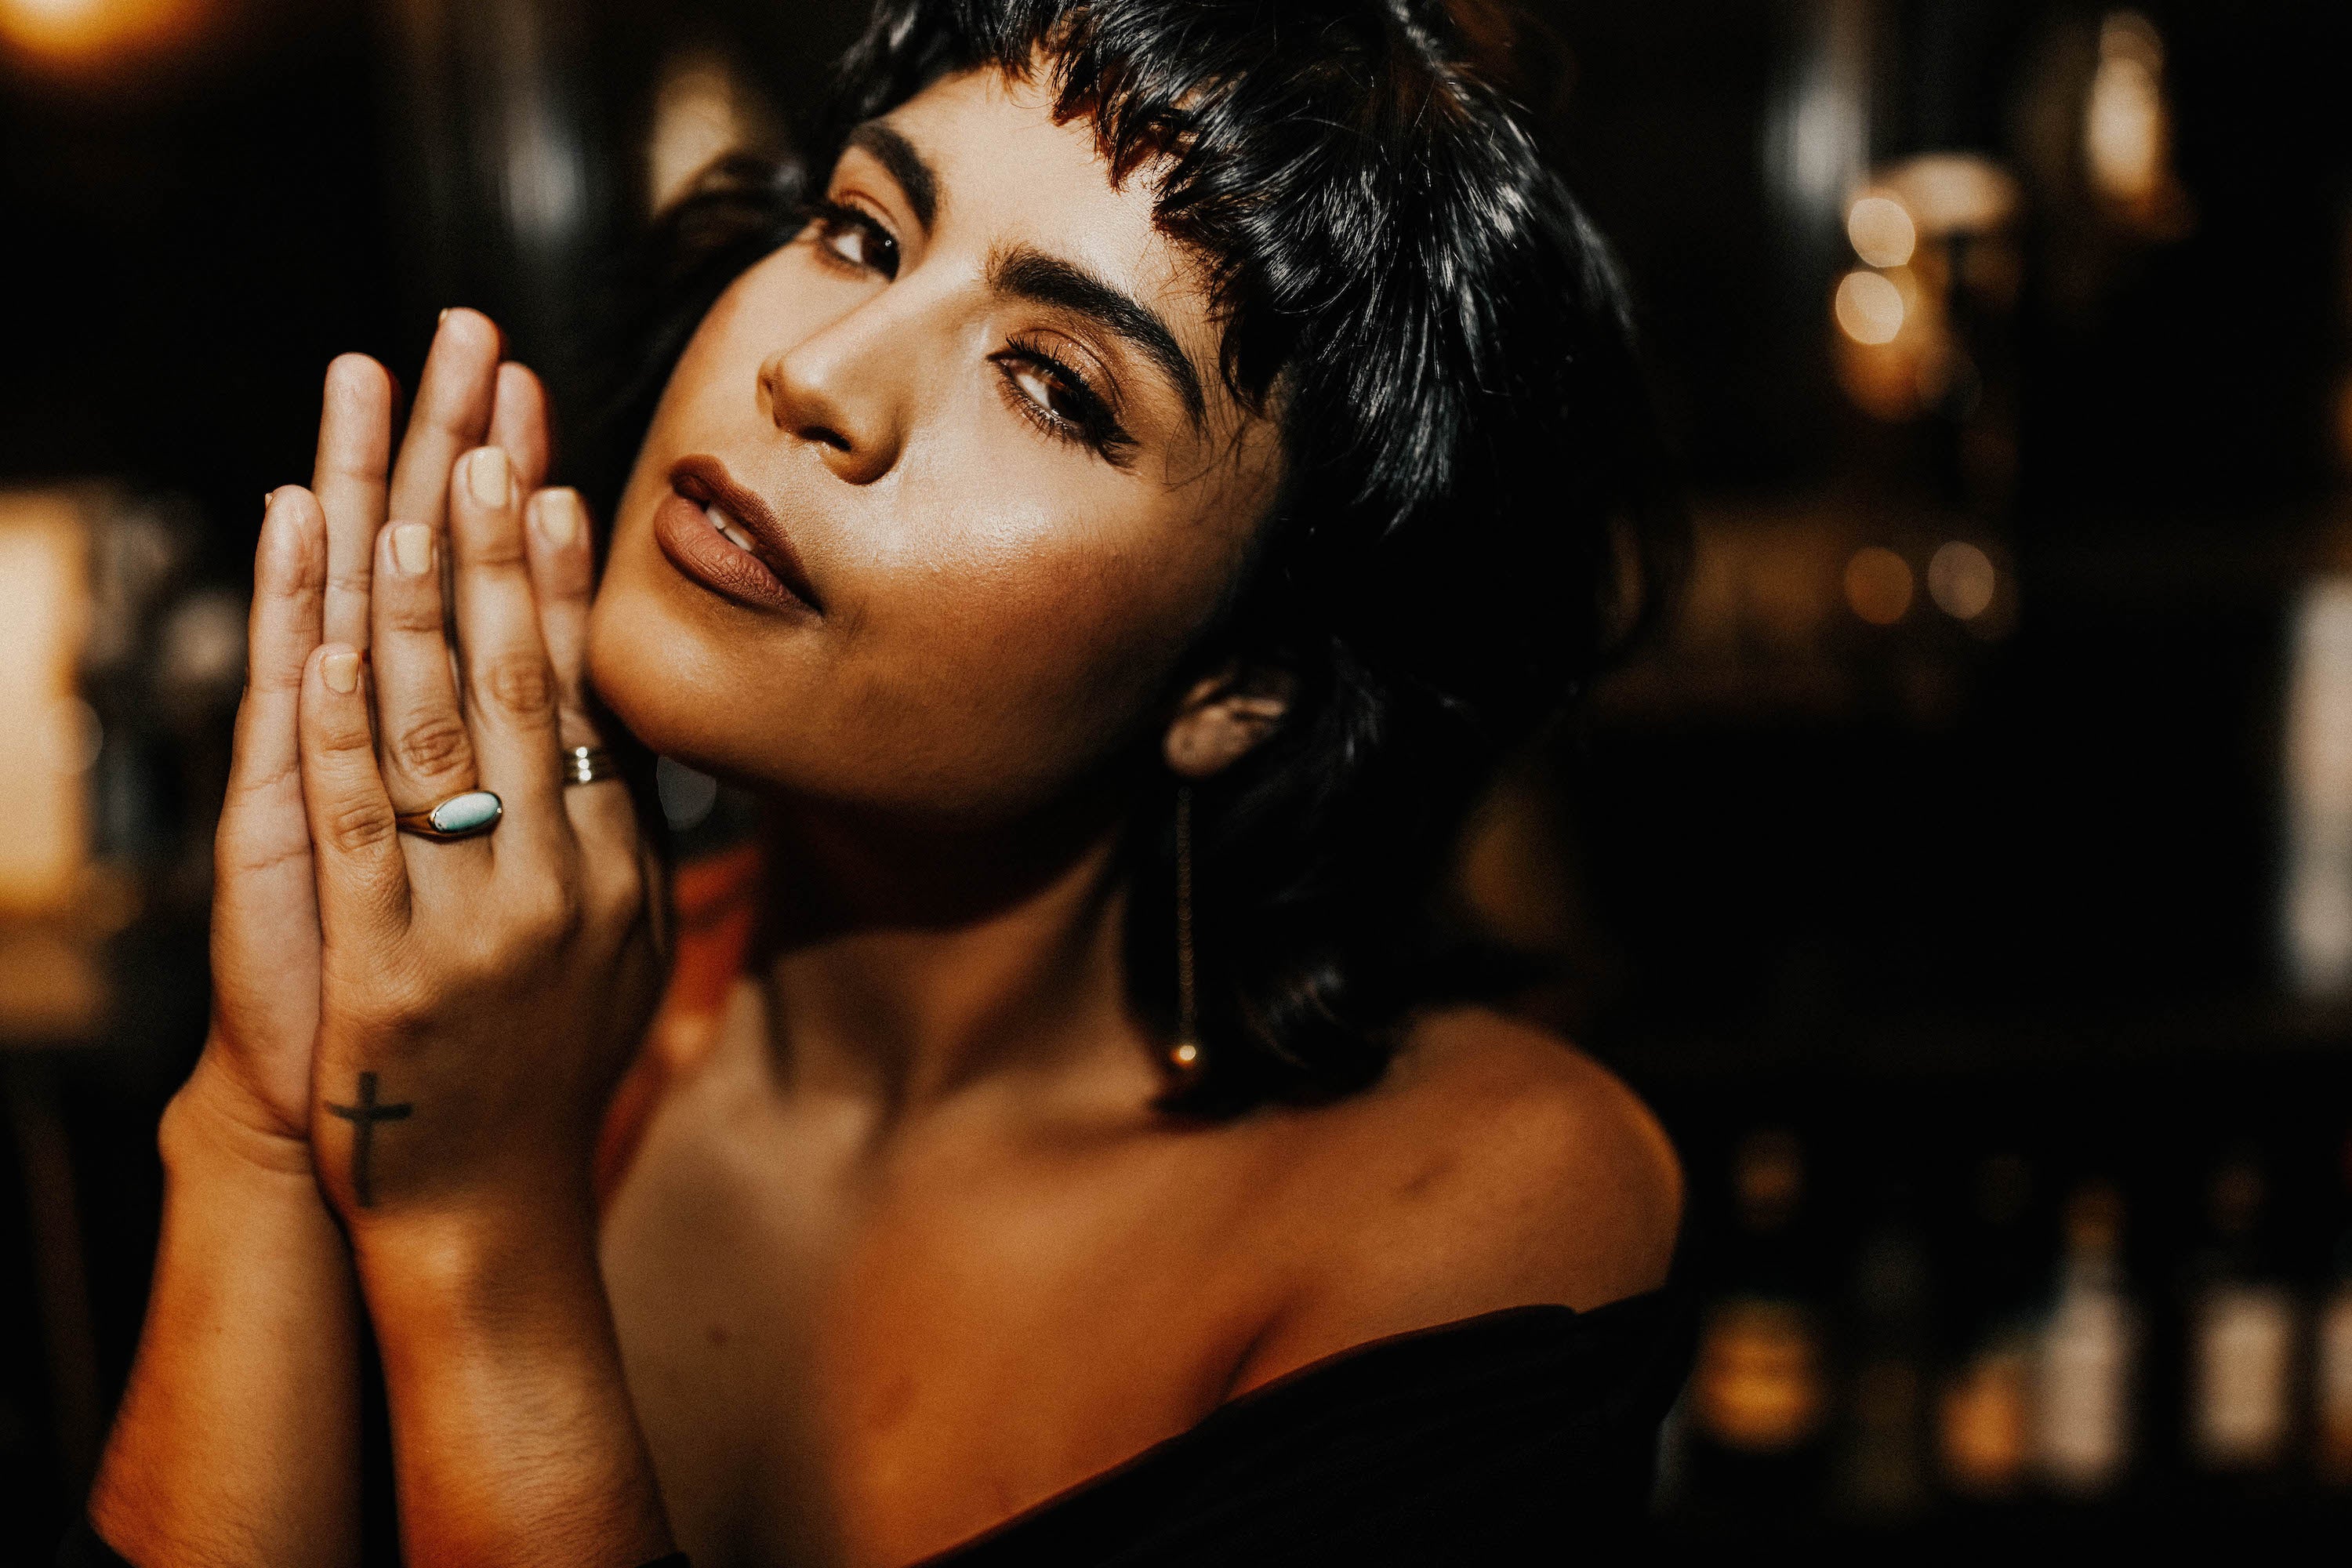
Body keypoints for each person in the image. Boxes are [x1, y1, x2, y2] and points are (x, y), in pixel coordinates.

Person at [69, 2, 1686, 1563]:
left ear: (1237, 685)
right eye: (860, 233)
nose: (822, 374)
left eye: (1055, 384)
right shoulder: (472, 1008)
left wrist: (478, 1239)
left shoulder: (1487, 1211)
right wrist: (263, 1130)